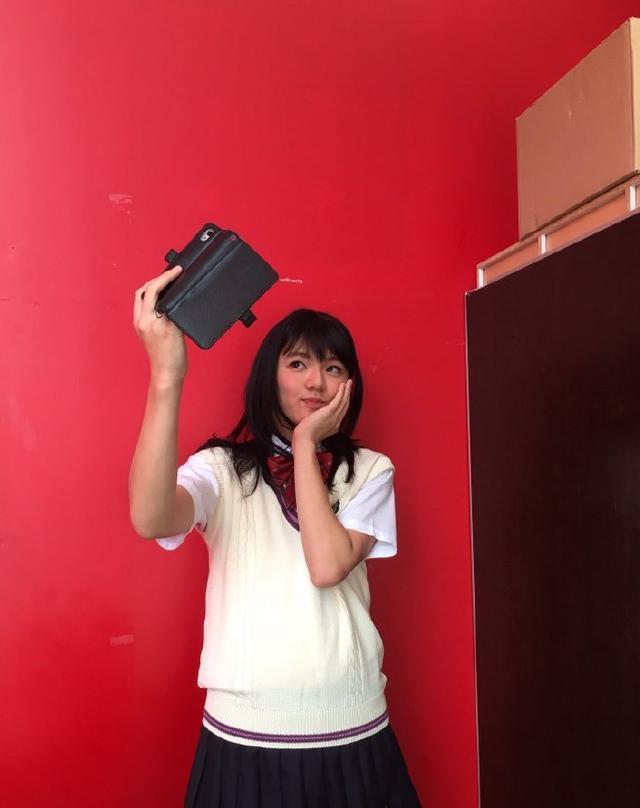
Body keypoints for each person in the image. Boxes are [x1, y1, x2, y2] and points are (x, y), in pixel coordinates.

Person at [129, 266, 421, 807]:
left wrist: (306, 443)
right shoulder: (222, 469)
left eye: (333, 367)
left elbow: (326, 566)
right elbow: (150, 518)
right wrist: (166, 375)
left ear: (350, 384)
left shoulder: (370, 471)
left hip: (351, 726)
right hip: (244, 733)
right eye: (298, 364)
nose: (316, 383)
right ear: (270, 376)